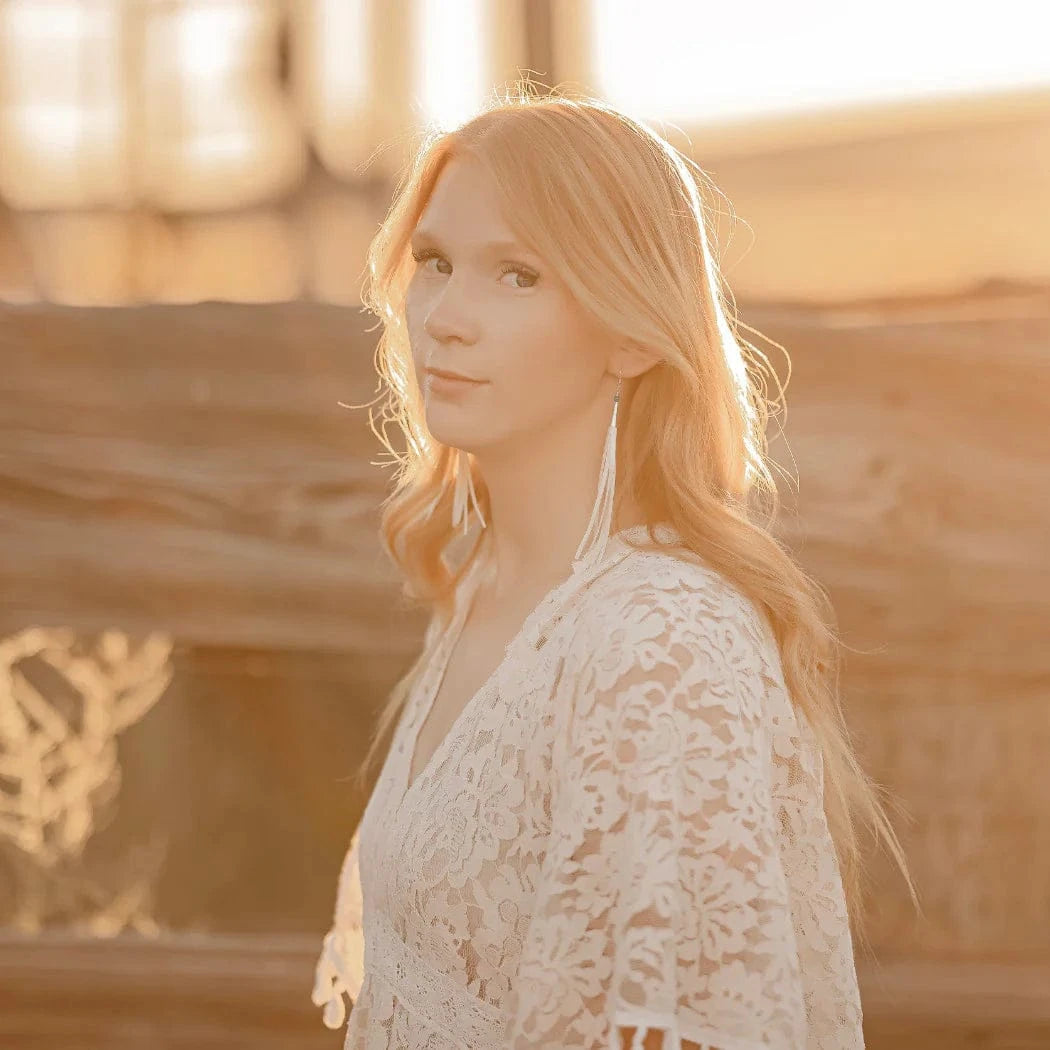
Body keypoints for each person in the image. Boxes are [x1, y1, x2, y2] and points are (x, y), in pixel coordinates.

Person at [312, 83, 918, 1050]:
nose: (447, 318)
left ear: (634, 332)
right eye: (434, 263)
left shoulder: (662, 643)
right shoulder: (484, 591)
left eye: (518, 276)